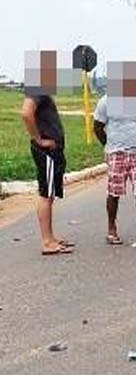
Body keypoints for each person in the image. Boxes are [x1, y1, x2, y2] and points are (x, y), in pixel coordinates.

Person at [94, 95, 136, 248]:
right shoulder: (106, 102)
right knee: (114, 192)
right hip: (116, 153)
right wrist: (109, 144)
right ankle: (111, 229)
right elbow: (97, 127)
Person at [21, 92, 72, 256]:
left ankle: (51, 238)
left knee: (49, 195)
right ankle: (47, 241)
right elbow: (26, 113)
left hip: (53, 151)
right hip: (46, 152)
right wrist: (39, 139)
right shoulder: (38, 88)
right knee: (46, 194)